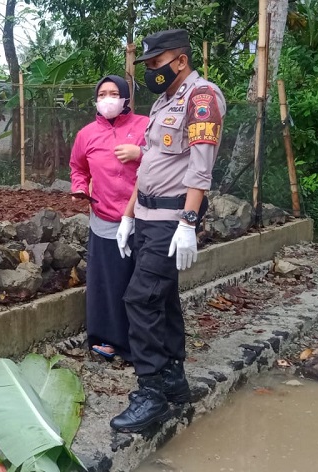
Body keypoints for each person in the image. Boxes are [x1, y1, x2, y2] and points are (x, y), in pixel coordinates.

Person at [110, 29, 227, 433]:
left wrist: (189, 224)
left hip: (172, 220)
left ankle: (152, 391)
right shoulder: (164, 101)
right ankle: (174, 379)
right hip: (145, 215)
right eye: (148, 65)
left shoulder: (202, 98)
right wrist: (128, 216)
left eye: (156, 63)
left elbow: (200, 169)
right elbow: (148, 169)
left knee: (140, 300)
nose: (151, 71)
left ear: (180, 60)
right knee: (163, 298)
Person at [69, 75, 149, 361]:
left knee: (142, 281)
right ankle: (108, 339)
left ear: (126, 97)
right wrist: (79, 187)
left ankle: (143, 342)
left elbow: (166, 157)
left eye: (114, 93)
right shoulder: (86, 134)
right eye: (102, 94)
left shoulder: (144, 125)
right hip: (104, 217)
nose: (108, 99)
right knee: (108, 282)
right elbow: (78, 167)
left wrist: (140, 152)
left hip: (144, 217)